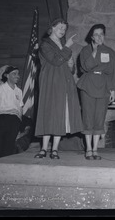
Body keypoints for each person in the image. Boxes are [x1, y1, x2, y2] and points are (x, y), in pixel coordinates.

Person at [34, 18, 83, 159]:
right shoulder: (45, 44)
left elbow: (69, 68)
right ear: (53, 28)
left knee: (61, 114)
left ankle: (54, 149)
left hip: (64, 83)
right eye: (60, 28)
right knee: (49, 113)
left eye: (64, 29)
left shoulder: (62, 44)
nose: (63, 31)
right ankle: (44, 148)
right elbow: (55, 60)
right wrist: (67, 47)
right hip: (51, 83)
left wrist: (71, 64)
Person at [77, 24, 115, 160]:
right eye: (96, 35)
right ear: (91, 37)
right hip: (88, 86)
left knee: (99, 119)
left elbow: (114, 72)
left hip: (104, 86)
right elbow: (85, 67)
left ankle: (95, 149)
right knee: (88, 118)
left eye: (101, 34)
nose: (99, 37)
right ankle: (88, 149)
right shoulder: (85, 50)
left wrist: (113, 90)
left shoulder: (110, 52)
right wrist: (95, 52)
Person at [0, 65, 23, 160]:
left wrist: (19, 121)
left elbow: (20, 108)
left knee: (10, 146)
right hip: (1, 118)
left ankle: (4, 169)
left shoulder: (19, 91)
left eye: (18, 74)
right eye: (14, 74)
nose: (17, 76)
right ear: (7, 75)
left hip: (14, 120)